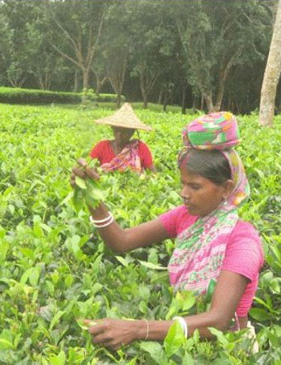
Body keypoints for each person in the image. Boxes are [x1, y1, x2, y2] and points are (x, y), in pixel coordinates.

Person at [71, 112, 263, 350]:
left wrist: (137, 328)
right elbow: (122, 241)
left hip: (228, 350)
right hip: (177, 340)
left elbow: (219, 320)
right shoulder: (185, 216)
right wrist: (91, 195)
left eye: (194, 186)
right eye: (182, 183)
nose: (184, 193)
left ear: (226, 188)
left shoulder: (243, 241)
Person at [89, 103, 156, 173]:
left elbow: (153, 174)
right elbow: (89, 166)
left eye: (125, 131)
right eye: (116, 130)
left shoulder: (140, 148)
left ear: (132, 132)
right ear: (112, 128)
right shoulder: (102, 146)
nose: (119, 134)